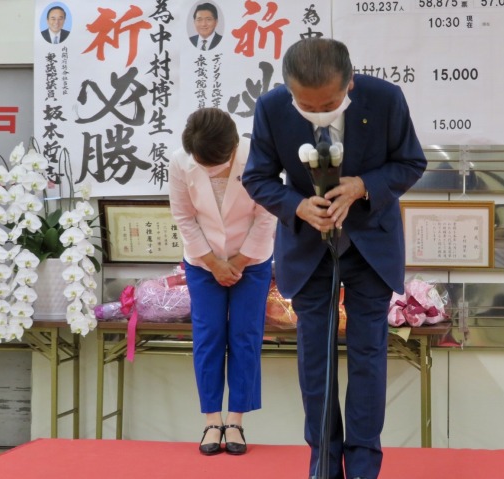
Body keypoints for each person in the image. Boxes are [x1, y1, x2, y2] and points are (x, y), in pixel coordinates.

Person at [242, 38, 426, 479]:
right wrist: (297, 206)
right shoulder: (271, 107)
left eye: (328, 105)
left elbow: (410, 163)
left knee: (368, 356)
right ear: (289, 90)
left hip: (371, 246)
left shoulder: (385, 98)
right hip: (308, 249)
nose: (318, 114)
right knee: (315, 359)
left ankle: (363, 466)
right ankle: (323, 464)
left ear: (350, 84)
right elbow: (257, 177)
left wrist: (363, 186)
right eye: (306, 106)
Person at [169, 108, 276, 456]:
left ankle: (236, 421)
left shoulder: (259, 155)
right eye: (203, 164)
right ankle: (212, 420)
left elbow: (267, 215)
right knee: (208, 336)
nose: (209, 170)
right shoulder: (180, 162)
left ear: (232, 147)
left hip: (252, 260)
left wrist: (239, 261)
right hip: (203, 262)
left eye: (215, 164)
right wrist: (214, 263)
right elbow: (184, 217)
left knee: (245, 335)